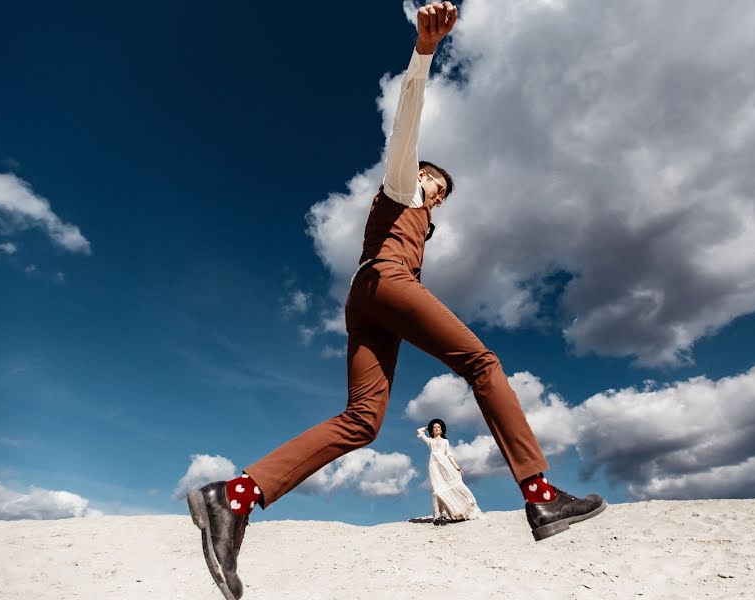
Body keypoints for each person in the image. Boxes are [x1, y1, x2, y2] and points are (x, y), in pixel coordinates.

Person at [187, 3, 605, 599]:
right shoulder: (400, 185)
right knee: (482, 364)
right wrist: (423, 55)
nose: (435, 197)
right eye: (436, 186)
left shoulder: (416, 223)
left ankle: (234, 497)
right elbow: (405, 126)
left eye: (440, 195)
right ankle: (540, 495)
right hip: (385, 282)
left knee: (362, 422)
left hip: (368, 298)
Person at [417, 418, 483, 524]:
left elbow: (449, 455)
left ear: (441, 429)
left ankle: (461, 511)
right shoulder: (430, 441)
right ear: (432, 430)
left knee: (454, 486)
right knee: (438, 490)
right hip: (434, 468)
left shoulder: (445, 441)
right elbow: (419, 431)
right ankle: (439, 515)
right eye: (434, 427)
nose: (436, 429)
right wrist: (427, 427)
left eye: (438, 427)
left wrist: (457, 467)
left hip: (446, 466)